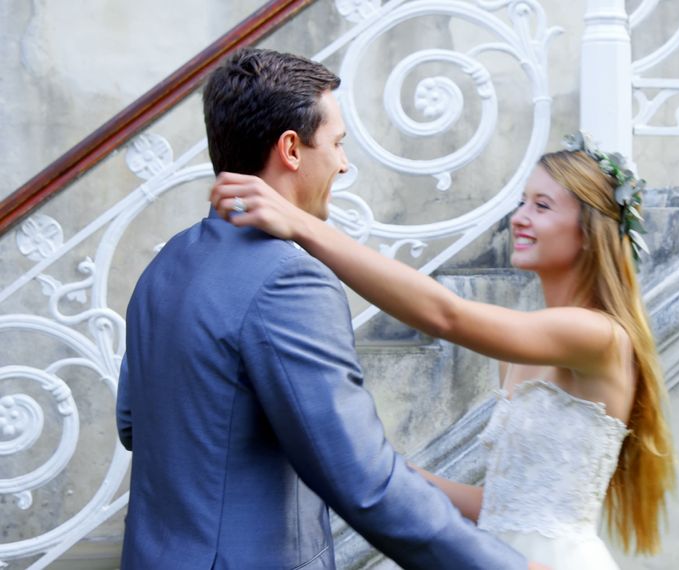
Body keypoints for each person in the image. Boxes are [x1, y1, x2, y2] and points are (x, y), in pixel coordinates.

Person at [116, 47, 536, 569]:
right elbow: (363, 482)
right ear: (291, 149)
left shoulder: (166, 266)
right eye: (336, 143)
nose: (342, 161)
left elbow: (133, 424)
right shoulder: (287, 280)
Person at [210, 129, 677, 568]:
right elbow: (504, 506)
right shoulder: (520, 352)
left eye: (542, 206)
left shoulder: (599, 336)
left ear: (589, 229)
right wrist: (389, 471)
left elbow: (445, 315)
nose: (519, 218)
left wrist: (299, 225)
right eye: (520, 202)